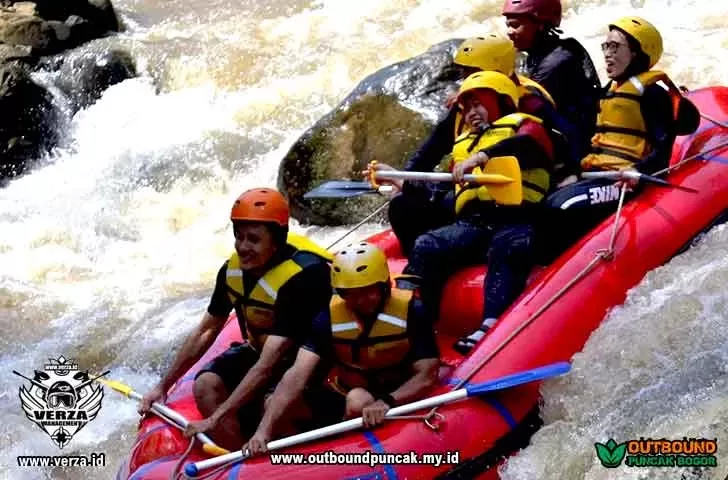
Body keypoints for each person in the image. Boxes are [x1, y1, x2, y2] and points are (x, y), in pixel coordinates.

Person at [138, 188, 333, 450]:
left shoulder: (302, 278)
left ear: (276, 242)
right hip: (260, 351)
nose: (243, 247)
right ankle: (239, 458)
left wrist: (216, 418)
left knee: (273, 404)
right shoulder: (231, 272)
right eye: (239, 237)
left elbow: (268, 364)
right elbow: (206, 331)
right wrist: (162, 386)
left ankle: (279, 458)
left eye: (253, 239)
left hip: (304, 363)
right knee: (205, 385)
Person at [399, 71, 554, 354]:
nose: (471, 113)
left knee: (508, 245)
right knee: (427, 245)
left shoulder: (527, 127)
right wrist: (405, 183)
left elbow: (527, 147)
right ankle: (416, 324)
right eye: (466, 108)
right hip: (475, 224)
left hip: (517, 219)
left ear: (501, 101)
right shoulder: (463, 144)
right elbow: (447, 192)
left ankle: (490, 325)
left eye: (478, 104)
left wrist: (482, 157)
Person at [242, 242, 440, 455]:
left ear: (383, 285)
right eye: (351, 293)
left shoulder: (412, 311)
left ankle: (345, 454)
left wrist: (387, 401)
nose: (360, 300)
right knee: (274, 402)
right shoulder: (327, 318)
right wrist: (263, 431)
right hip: (344, 393)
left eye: (367, 291)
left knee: (358, 399)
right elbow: (297, 374)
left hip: (394, 394)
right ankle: (289, 460)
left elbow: (427, 374)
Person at [379, 33, 565, 257]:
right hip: (470, 198)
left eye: (473, 73)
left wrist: (572, 172)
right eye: (465, 74)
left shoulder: (531, 103)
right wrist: (405, 178)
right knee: (404, 207)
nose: (466, 81)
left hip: (517, 200)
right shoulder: (465, 107)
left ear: (497, 72)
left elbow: (559, 143)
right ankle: (421, 266)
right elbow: (431, 150)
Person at [545, 17, 699, 251]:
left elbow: (663, 150)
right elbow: (597, 144)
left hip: (625, 180)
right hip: (597, 174)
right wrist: (574, 173)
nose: (607, 54)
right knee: (546, 199)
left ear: (638, 53)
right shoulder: (610, 92)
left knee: (564, 206)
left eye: (615, 47)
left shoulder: (651, 95)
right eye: (605, 46)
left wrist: (638, 171)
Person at [502, 0, 602, 180]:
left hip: (574, 149)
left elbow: (522, 103)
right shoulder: (540, 54)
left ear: (540, 24)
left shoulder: (557, 61)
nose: (509, 32)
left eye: (515, 26)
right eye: (508, 25)